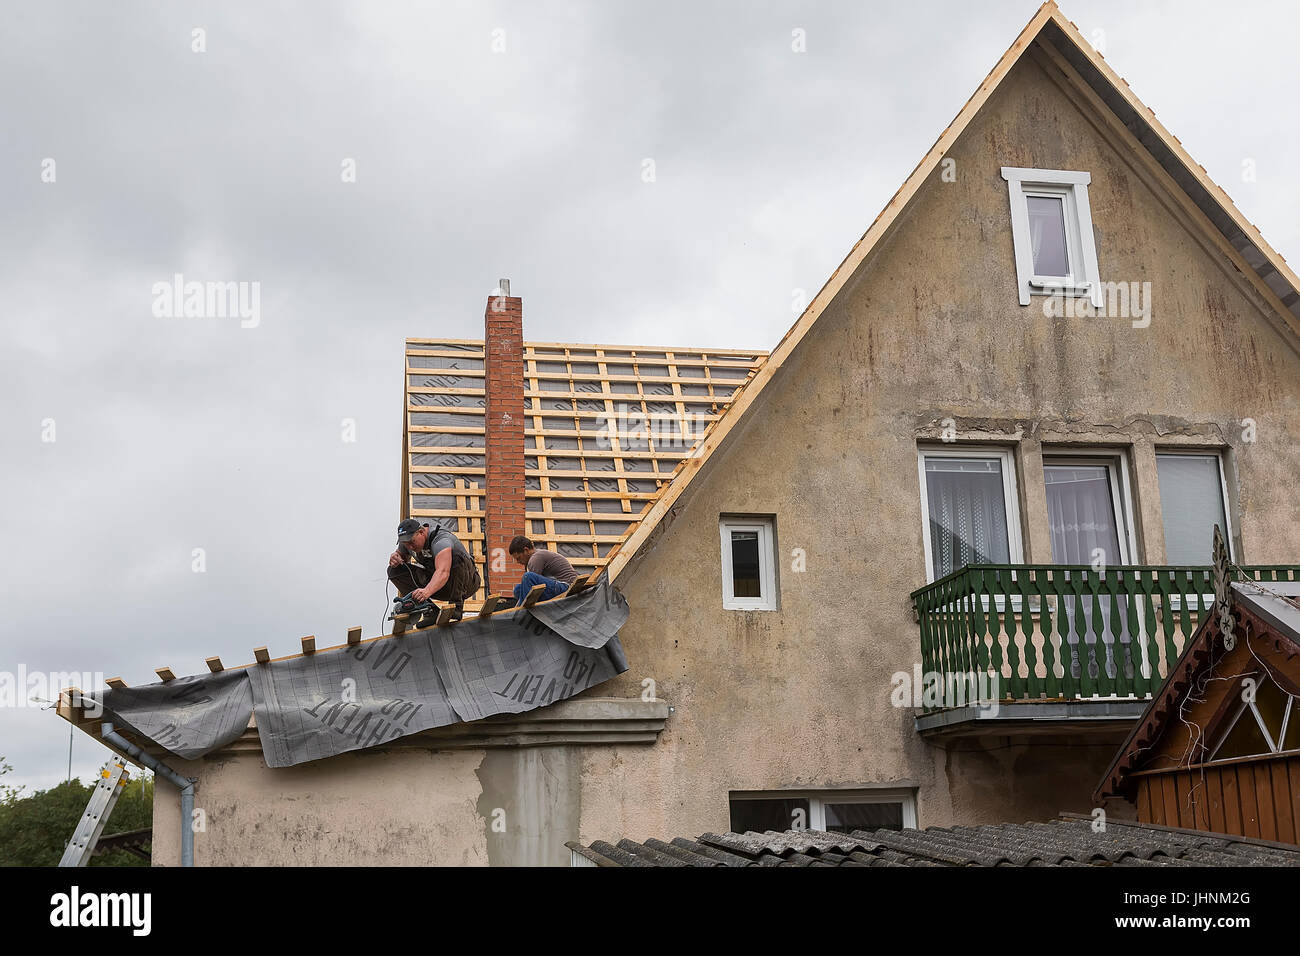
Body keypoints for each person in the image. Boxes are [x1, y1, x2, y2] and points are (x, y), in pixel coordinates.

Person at [386, 519, 481, 634]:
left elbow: (443, 571)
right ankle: (429, 611)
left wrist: (426, 592)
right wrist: (396, 557)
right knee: (394, 571)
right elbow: (402, 557)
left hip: (466, 583)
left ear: (421, 532)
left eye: (412, 542)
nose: (410, 547)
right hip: (440, 585)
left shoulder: (441, 540)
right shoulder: (408, 544)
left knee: (454, 555)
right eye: (406, 544)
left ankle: (456, 607)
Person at [508, 535, 577, 606]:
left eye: (519, 558)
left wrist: (517, 610)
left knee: (528, 577)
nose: (518, 561)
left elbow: (531, 586)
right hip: (557, 586)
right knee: (518, 589)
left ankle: (522, 613)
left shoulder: (535, 558)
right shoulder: (535, 557)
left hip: (566, 587)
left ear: (526, 550)